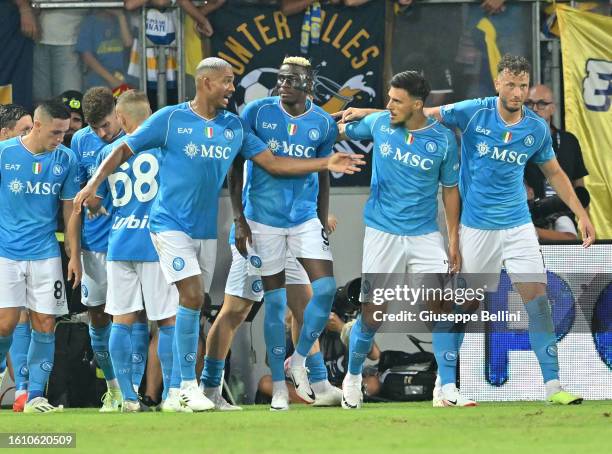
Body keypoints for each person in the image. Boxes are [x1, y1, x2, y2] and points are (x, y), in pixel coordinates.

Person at [73, 57, 364, 412]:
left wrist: (326, 155)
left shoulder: (233, 126)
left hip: (205, 230)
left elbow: (274, 162)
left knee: (203, 306)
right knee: (195, 299)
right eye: (227, 81)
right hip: (170, 225)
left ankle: (203, 391)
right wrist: (92, 183)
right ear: (206, 83)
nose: (232, 88)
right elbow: (122, 148)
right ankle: (184, 387)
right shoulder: (171, 118)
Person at [424, 55, 594, 405]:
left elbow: (556, 174)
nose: (517, 92)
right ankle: (444, 385)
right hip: (477, 228)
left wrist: (581, 213)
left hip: (518, 226)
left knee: (539, 303)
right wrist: (370, 116)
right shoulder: (473, 111)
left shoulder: (534, 128)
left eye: (523, 85)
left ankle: (553, 386)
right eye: (511, 84)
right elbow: (420, 115)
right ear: (498, 83)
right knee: (463, 307)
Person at [336, 71, 464, 409]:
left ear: (417, 105)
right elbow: (336, 131)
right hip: (382, 233)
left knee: (440, 306)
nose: (388, 105)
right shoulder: (380, 124)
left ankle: (446, 386)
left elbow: (450, 191)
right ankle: (351, 378)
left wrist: (454, 239)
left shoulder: (444, 140)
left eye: (396, 100)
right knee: (373, 314)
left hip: (424, 235)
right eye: (388, 98)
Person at [228, 56, 344, 410]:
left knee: (324, 291)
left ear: (309, 83)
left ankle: (297, 362)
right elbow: (237, 166)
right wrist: (239, 218)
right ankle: (279, 386)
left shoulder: (323, 123)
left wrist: (322, 218)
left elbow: (323, 175)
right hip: (262, 220)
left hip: (303, 219)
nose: (284, 84)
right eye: (280, 78)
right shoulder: (256, 112)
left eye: (292, 79)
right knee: (275, 305)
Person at [85, 90, 183, 413]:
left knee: (121, 321)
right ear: (150, 114)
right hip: (155, 242)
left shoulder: (109, 153)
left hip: (120, 243)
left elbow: (97, 201)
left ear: (123, 119)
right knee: (168, 321)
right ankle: (171, 394)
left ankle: (126, 397)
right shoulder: (164, 148)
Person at [0, 98, 81, 413]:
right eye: (55, 133)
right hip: (6, 252)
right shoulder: (5, 154)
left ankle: (34, 396)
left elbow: (70, 208)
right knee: (6, 324)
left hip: (45, 252)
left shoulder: (66, 159)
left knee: (45, 322)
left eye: (63, 133)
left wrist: (74, 254)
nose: (60, 139)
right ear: (36, 125)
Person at [71, 86, 125, 412]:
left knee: (130, 318)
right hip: (93, 248)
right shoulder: (80, 142)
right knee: (99, 319)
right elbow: (76, 200)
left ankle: (132, 392)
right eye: (95, 128)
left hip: (126, 243)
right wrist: (74, 253)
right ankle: (113, 390)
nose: (102, 133)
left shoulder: (134, 136)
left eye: (106, 124)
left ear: (118, 111)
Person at [524, 84, 589, 206]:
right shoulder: (515, 141)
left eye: (542, 103)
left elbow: (580, 187)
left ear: (553, 108)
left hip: (563, 214)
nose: (535, 108)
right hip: (528, 215)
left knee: (564, 223)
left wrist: (585, 219)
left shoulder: (569, 141)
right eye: (529, 103)